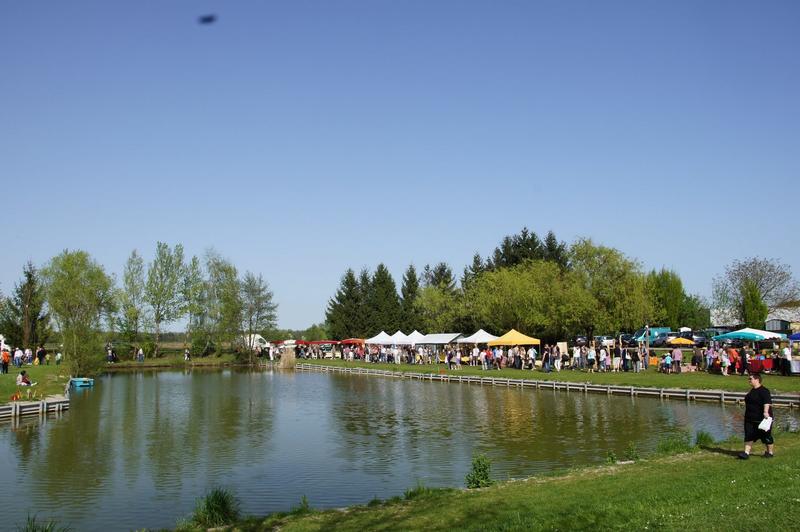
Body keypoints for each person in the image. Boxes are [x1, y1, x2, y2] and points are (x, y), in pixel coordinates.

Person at [739, 373, 774, 459]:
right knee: (749, 435)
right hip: (749, 418)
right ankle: (746, 453)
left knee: (766, 436)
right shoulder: (752, 390)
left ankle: (770, 452)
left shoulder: (764, 391)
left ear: (757, 380)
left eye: (750, 379)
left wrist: (765, 412)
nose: (749, 380)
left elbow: (767, 402)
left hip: (761, 419)